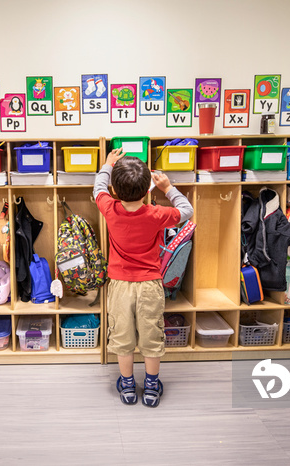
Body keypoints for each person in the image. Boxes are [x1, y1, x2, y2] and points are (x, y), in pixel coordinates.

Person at [94, 148, 193, 407]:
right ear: (148, 189)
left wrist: (107, 165)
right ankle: (151, 388)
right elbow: (187, 210)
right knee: (151, 337)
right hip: (150, 285)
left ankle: (127, 386)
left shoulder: (110, 208)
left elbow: (98, 189)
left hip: (119, 286)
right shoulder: (157, 214)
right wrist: (168, 187)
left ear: (115, 191)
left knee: (123, 339)